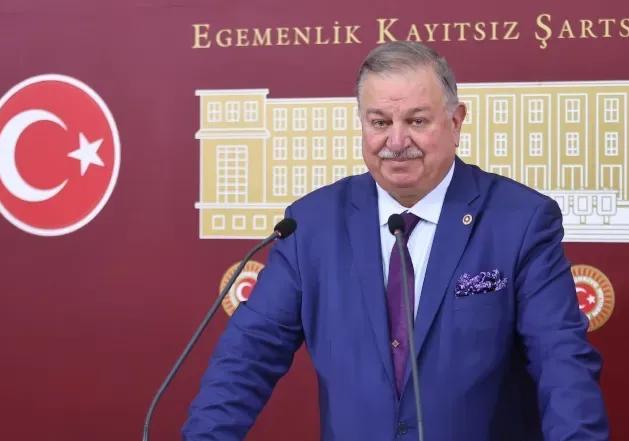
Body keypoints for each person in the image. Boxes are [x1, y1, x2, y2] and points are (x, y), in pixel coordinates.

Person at [181, 41, 610, 441]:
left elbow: (562, 363)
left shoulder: (521, 220)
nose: (397, 142)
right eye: (380, 123)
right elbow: (247, 357)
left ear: (456, 122)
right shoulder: (310, 224)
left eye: (417, 121)